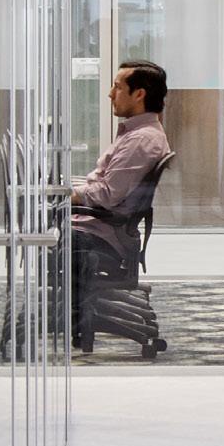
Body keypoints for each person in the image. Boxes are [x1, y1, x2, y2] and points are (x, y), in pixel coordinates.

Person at [69, 59, 173, 348]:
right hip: (102, 228)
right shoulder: (137, 135)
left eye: (117, 87)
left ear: (139, 94)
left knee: (42, 232)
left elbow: (107, 194)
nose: (110, 94)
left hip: (99, 235)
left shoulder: (141, 140)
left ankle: (75, 316)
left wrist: (66, 195)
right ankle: (77, 311)